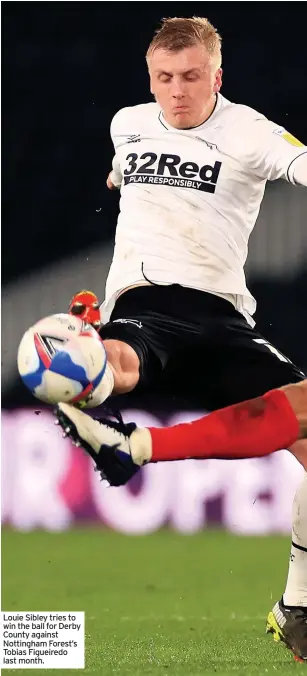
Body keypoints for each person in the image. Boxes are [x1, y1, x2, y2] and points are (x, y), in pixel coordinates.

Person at [60, 17, 307, 661]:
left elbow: (300, 162)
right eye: (164, 78)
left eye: (191, 77)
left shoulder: (249, 131)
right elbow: (123, 166)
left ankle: (299, 609)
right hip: (147, 306)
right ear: (150, 79)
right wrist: (119, 179)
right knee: (116, 357)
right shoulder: (128, 122)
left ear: (215, 77)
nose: (177, 92)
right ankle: (82, 383)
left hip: (224, 318)